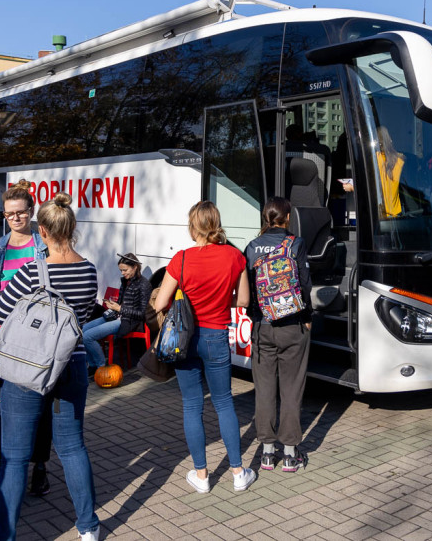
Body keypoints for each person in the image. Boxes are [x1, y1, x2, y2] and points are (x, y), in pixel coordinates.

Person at [0, 192, 100, 541]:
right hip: (72, 367)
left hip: (28, 370)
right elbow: (83, 319)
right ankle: (88, 527)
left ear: (44, 232)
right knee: (72, 448)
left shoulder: (27, 273)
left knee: (16, 458)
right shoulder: (89, 270)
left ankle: (5, 533)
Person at [153, 200, 255, 495]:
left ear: (192, 226)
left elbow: (161, 303)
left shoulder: (181, 259)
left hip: (185, 339)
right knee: (224, 402)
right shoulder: (235, 257)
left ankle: (201, 475)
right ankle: (238, 473)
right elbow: (245, 301)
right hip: (216, 336)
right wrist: (221, 300)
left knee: (192, 405)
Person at [0, 179, 53, 497]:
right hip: (2, 338)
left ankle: (39, 466)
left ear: (31, 212)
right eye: (10, 214)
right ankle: (6, 462)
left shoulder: (44, 247)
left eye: (21, 213)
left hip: (38, 338)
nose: (16, 218)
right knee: (0, 405)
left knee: (41, 405)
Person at [244, 197, 312, 473]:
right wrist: (307, 319)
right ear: (287, 217)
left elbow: (247, 287)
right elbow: (305, 285)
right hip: (292, 325)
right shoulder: (295, 243)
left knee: (265, 390)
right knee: (291, 389)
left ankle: (267, 453)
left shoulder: (251, 247)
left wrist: (254, 317)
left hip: (263, 327)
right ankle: (290, 453)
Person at [82, 252, 151, 372]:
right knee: (80, 331)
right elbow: (120, 303)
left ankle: (101, 367)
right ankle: (92, 364)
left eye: (125, 270)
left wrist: (119, 309)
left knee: (88, 337)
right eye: (121, 271)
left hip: (128, 321)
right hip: (116, 316)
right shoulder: (126, 281)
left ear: (135, 267)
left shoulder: (144, 284)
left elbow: (142, 314)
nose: (123, 273)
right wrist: (113, 306)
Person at [376, 126, 405, 217]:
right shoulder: (400, 160)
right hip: (396, 214)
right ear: (390, 140)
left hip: (381, 214)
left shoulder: (375, 158)